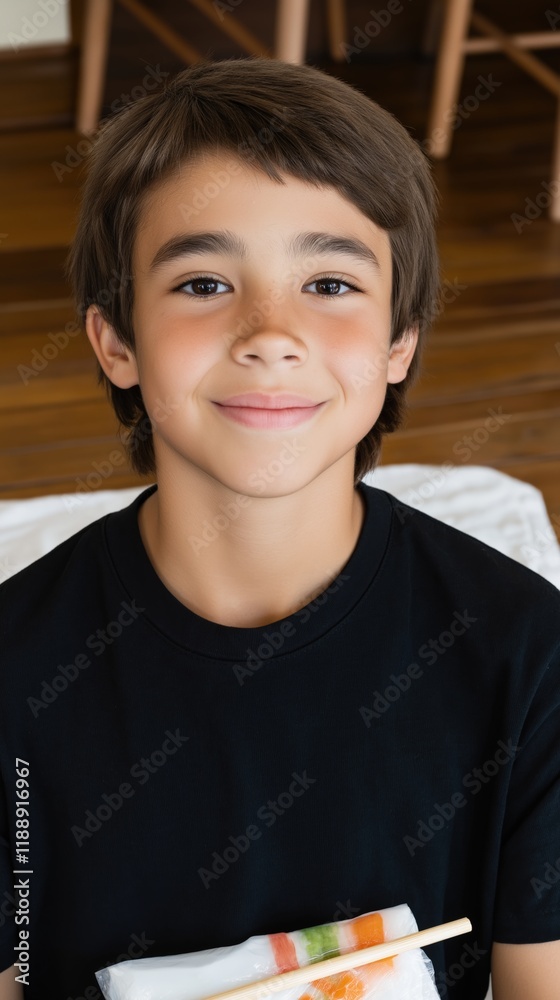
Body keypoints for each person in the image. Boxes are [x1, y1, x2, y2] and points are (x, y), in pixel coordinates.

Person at [0, 56, 558, 1000]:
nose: (270, 330)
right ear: (115, 342)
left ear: (399, 344)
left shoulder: (527, 656)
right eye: (204, 283)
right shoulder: (17, 667)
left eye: (331, 284)